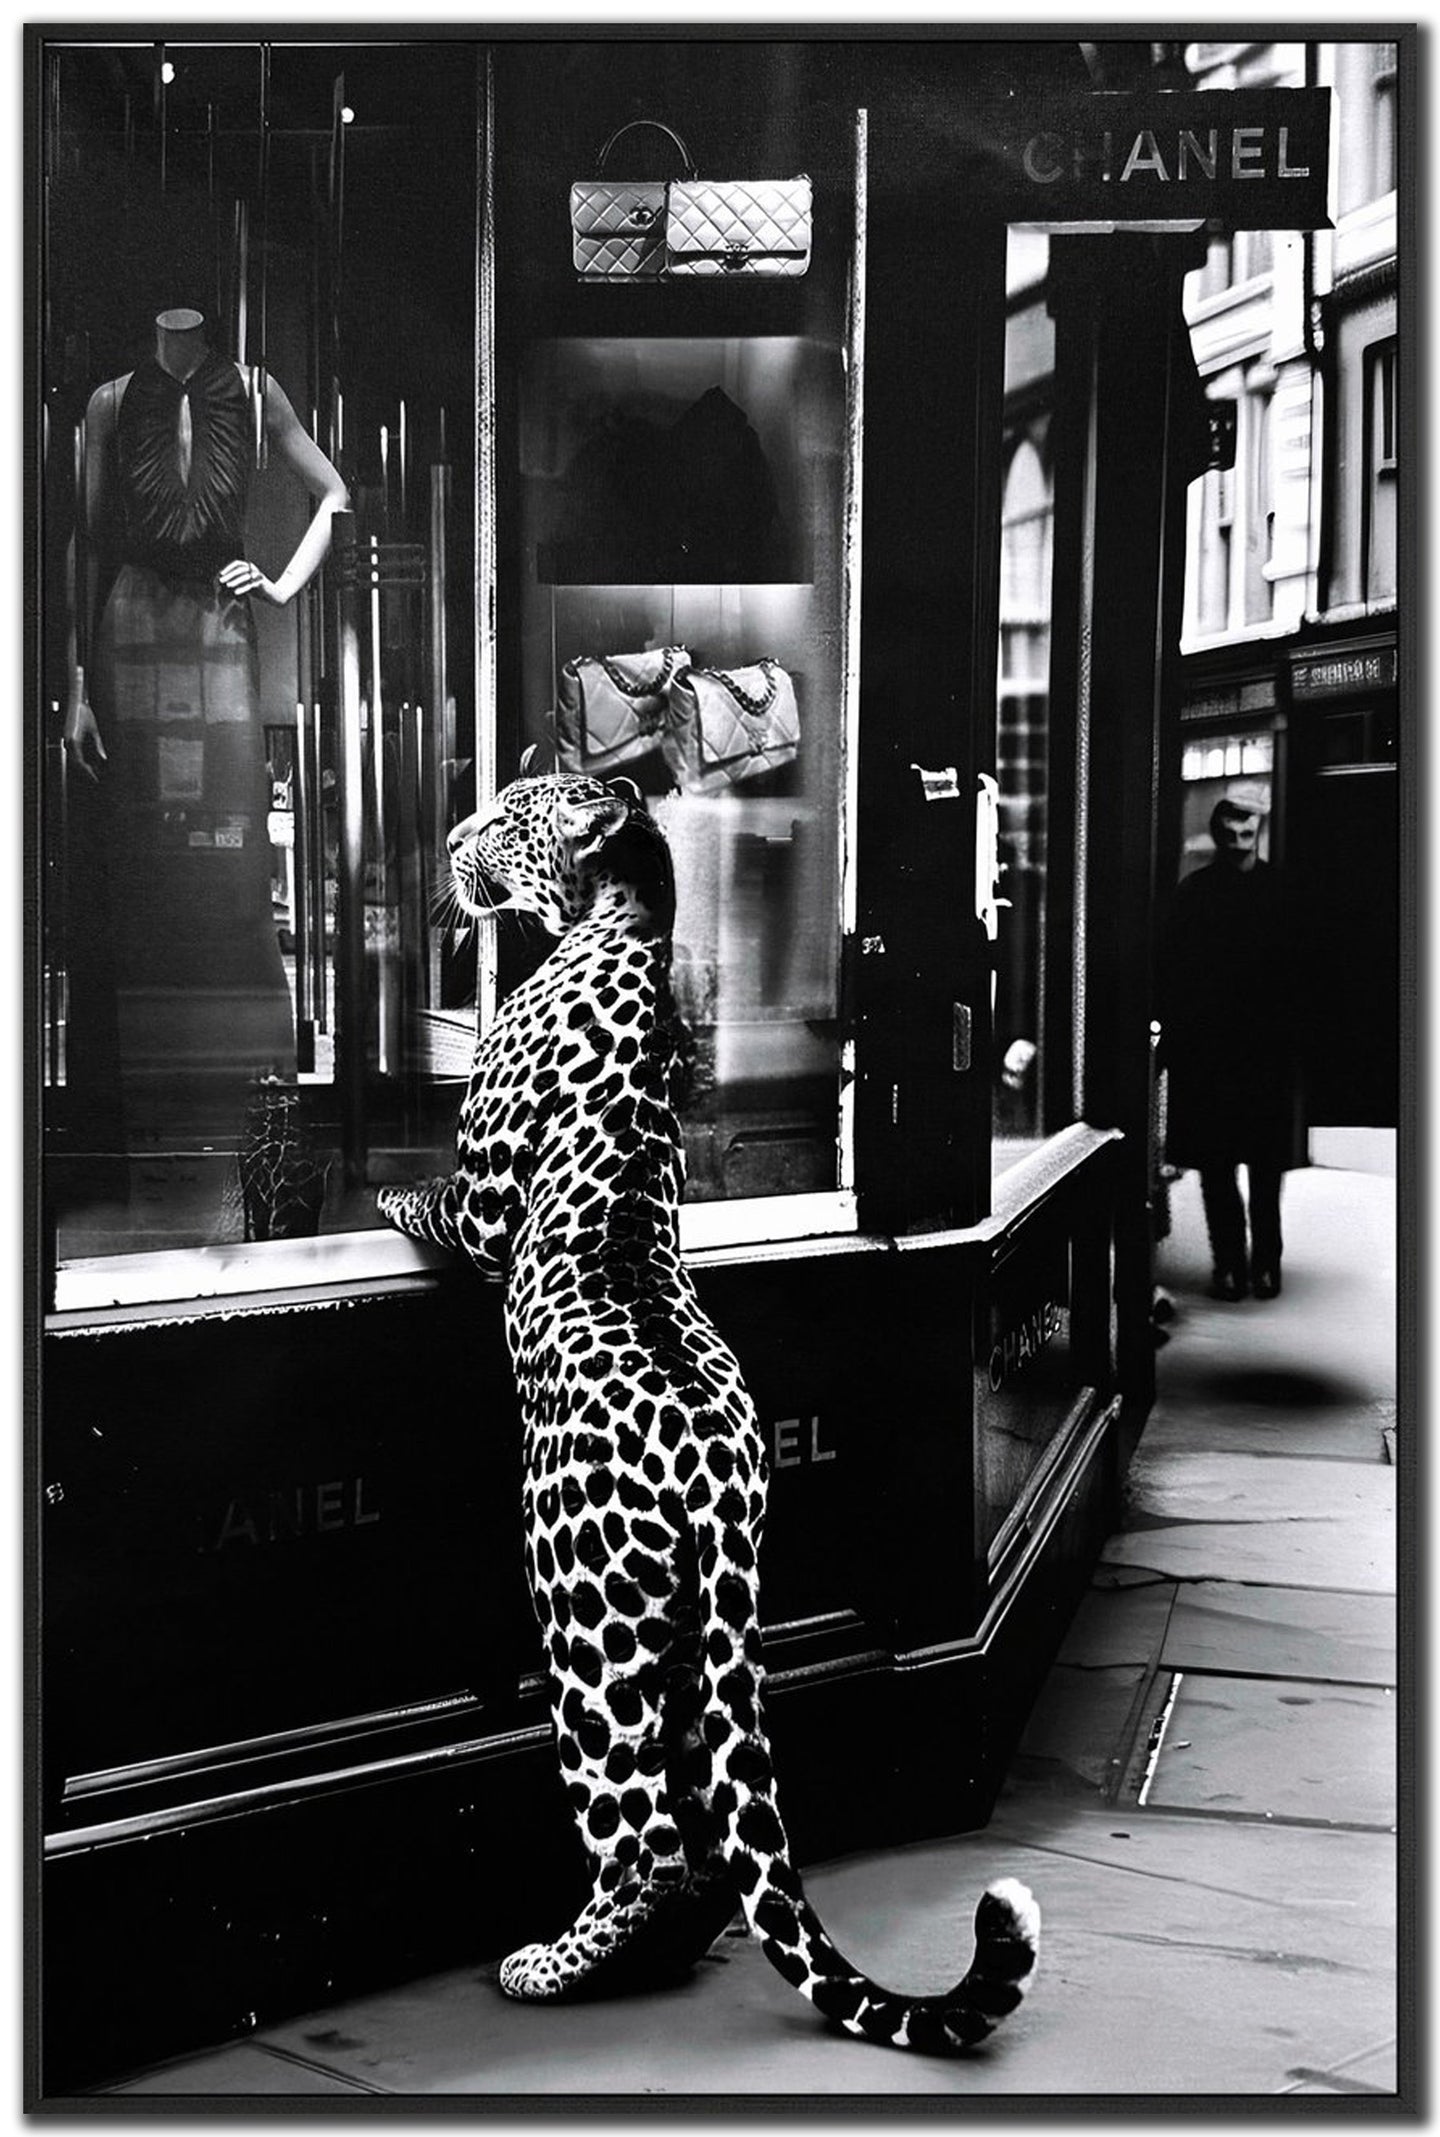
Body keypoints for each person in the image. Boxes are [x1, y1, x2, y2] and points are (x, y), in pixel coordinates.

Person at [61, 306, 347, 1167]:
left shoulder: (255, 393)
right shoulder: (112, 402)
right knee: (140, 856)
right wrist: (77, 689)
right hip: (131, 628)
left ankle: (250, 1098)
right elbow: (86, 545)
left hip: (222, 628)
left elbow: (333, 494)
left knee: (234, 849)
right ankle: (141, 1102)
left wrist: (283, 583)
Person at [1155, 782, 1304, 1301]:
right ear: (1217, 830)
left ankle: (1262, 1263)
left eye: (1248, 822)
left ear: (1258, 828)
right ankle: (1232, 1264)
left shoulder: (1279, 893)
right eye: (1231, 823)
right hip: (1214, 1050)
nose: (1239, 831)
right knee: (1220, 1167)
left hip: (1259, 1050)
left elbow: (1301, 976)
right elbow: (1171, 974)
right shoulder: (1195, 894)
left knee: (1262, 1168)